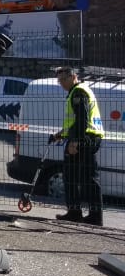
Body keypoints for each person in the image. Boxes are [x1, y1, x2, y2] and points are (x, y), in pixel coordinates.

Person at [48, 66, 104, 226]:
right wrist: (61, 134)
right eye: (59, 81)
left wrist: (75, 142)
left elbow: (82, 120)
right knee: (84, 177)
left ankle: (81, 213)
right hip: (89, 138)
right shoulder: (80, 90)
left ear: (73, 77)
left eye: (63, 79)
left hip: (84, 139)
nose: (61, 83)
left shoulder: (78, 92)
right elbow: (74, 122)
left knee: (77, 177)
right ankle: (87, 214)